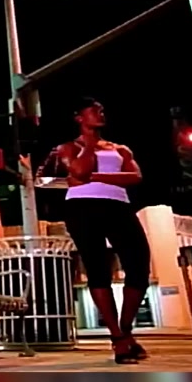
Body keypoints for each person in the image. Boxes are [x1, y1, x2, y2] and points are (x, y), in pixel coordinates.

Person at [56, 97, 151, 364]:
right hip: (82, 207)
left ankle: (125, 328)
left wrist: (95, 176)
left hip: (119, 206)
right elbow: (78, 170)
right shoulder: (69, 147)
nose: (100, 113)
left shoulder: (120, 149)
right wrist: (89, 145)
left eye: (102, 110)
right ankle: (118, 338)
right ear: (79, 117)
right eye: (94, 110)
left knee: (139, 265)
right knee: (97, 268)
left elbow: (135, 177)